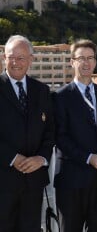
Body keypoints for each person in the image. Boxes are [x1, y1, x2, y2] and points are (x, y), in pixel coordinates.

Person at [53, 39, 97, 232]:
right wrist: (88, 158)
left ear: (95, 62)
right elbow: (59, 137)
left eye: (90, 58)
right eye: (81, 58)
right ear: (72, 62)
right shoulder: (59, 96)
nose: (86, 63)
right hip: (72, 179)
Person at [0, 35, 55, 232]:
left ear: (31, 59)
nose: (15, 62)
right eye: (10, 57)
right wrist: (12, 158)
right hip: (3, 182)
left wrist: (41, 158)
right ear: (4, 58)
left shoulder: (42, 90)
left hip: (33, 184)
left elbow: (50, 132)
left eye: (21, 58)